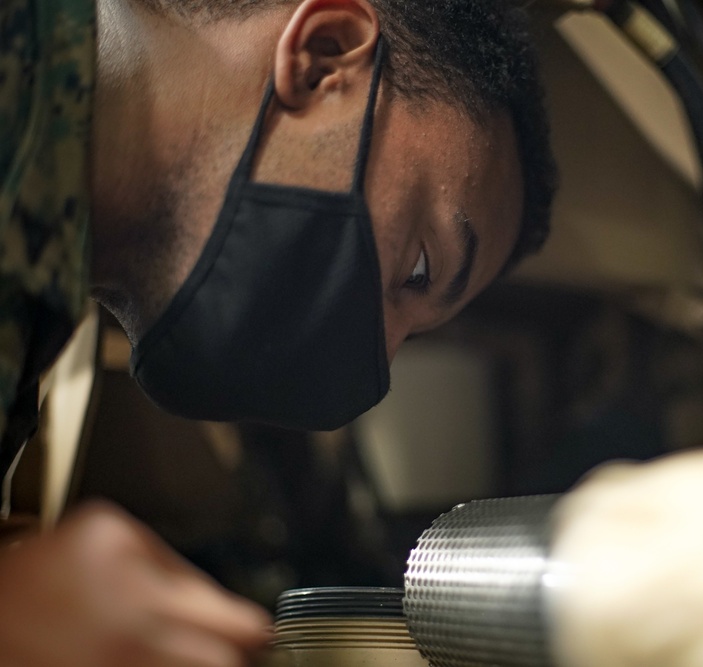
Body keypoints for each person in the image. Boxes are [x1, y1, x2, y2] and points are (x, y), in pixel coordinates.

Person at [0, 0, 556, 664]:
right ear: (325, 57)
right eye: (418, 268)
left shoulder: (32, 321)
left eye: (413, 334)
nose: (376, 357)